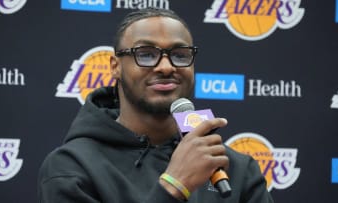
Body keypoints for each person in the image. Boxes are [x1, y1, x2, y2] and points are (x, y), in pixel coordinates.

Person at [38, 8, 274, 203]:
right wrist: (174, 186)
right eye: (146, 54)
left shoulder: (236, 169)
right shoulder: (71, 167)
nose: (166, 67)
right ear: (114, 66)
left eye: (180, 55)